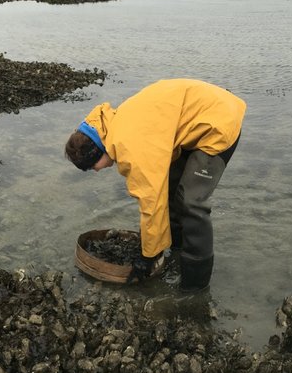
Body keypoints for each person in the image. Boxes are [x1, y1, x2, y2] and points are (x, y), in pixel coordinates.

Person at [65, 79, 246, 292]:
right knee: (171, 190)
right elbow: (159, 192)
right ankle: (177, 251)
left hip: (218, 122)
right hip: (197, 120)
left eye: (91, 166)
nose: (95, 170)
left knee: (191, 203)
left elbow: (151, 202)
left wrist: (147, 256)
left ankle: (195, 288)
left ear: (96, 152)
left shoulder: (129, 146)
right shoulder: (114, 124)